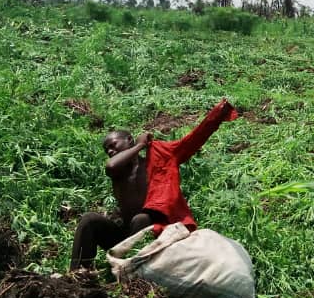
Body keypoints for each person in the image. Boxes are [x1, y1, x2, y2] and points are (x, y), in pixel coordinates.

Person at [70, 98, 238, 270]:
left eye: (113, 145)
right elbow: (111, 166)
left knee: (141, 219)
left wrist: (218, 114)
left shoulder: (160, 159)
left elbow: (193, 140)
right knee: (89, 220)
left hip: (158, 231)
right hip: (126, 236)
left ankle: (133, 271)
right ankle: (78, 274)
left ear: (129, 140)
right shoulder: (118, 172)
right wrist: (140, 145)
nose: (111, 151)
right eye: (107, 150)